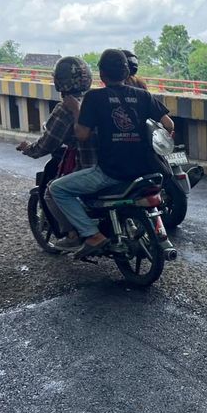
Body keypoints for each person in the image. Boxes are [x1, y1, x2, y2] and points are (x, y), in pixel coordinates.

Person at [49, 48, 174, 259]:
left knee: (57, 188)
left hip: (111, 172)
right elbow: (169, 125)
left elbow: (82, 135)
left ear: (101, 75)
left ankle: (92, 234)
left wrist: (76, 109)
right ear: (126, 73)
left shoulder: (94, 98)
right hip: (145, 168)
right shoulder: (143, 95)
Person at [16, 56, 96, 251]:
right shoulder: (96, 99)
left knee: (53, 191)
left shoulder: (66, 108)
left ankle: (73, 234)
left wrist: (29, 149)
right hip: (112, 162)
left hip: (87, 163)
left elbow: (47, 143)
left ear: (59, 81)